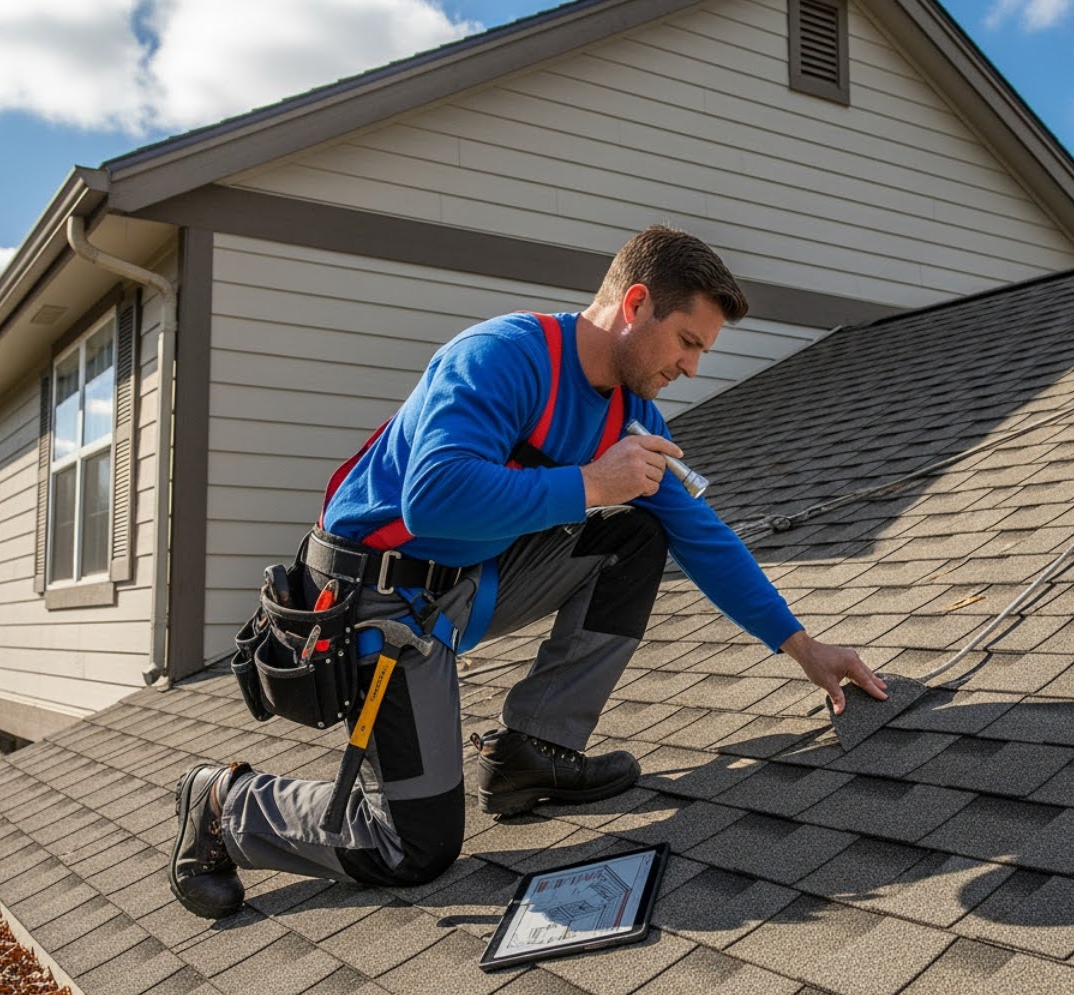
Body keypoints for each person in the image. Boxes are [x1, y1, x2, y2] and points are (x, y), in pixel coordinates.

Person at [170, 226, 888, 919]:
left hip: (462, 585)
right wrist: (590, 485)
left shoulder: (632, 416)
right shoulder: (501, 358)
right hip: (376, 598)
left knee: (640, 534)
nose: (693, 367)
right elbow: (432, 498)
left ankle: (533, 751)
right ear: (635, 305)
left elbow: (705, 539)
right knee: (411, 848)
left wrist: (805, 647)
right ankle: (222, 805)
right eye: (688, 342)